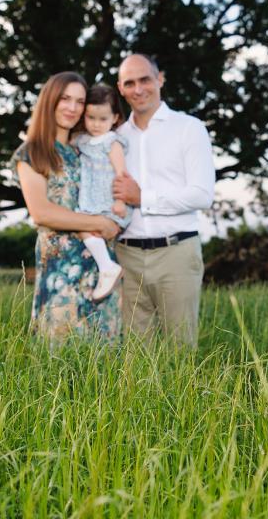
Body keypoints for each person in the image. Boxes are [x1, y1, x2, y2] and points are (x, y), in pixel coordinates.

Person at [112, 54, 215, 346]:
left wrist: (143, 197)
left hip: (176, 252)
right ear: (120, 88)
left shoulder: (189, 128)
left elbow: (202, 194)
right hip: (126, 256)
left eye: (145, 79)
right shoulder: (116, 138)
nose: (138, 88)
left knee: (180, 349)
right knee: (134, 355)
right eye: (129, 83)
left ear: (160, 79)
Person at [12, 72, 121, 341]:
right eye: (65, 99)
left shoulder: (82, 150)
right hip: (60, 266)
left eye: (80, 101)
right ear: (50, 100)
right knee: (59, 355)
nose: (73, 108)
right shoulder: (32, 152)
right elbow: (42, 212)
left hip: (100, 267)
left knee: (105, 360)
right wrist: (99, 223)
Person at [73, 84, 131, 301]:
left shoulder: (111, 142)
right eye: (91, 118)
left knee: (82, 226)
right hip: (91, 200)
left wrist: (120, 201)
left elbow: (121, 173)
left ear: (115, 118)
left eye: (103, 119)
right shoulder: (83, 140)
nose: (96, 125)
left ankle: (107, 267)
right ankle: (105, 266)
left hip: (108, 201)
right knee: (84, 228)